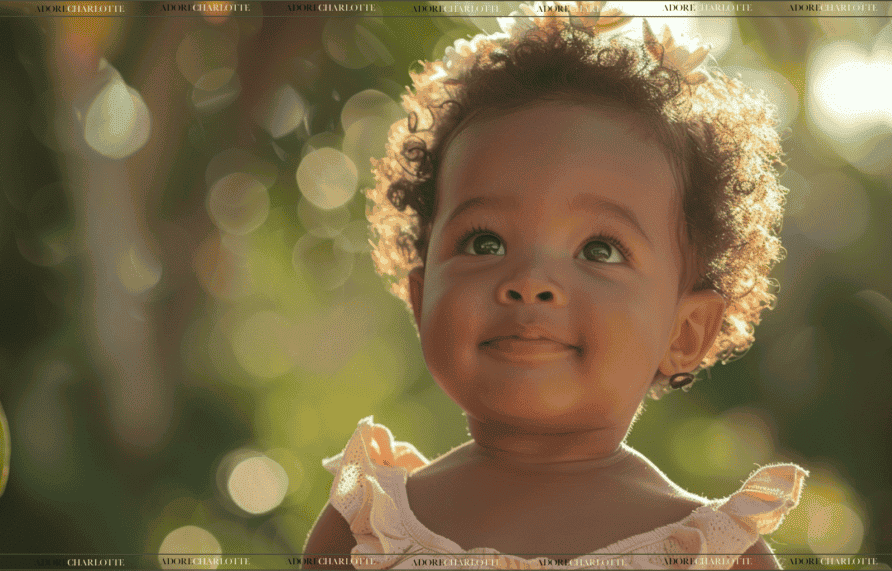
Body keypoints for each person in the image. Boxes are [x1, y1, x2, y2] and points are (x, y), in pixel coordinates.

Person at [304, 4, 807, 569]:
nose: (529, 283)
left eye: (599, 250)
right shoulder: (369, 526)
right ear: (422, 300)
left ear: (685, 331)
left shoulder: (707, 554)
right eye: (485, 242)